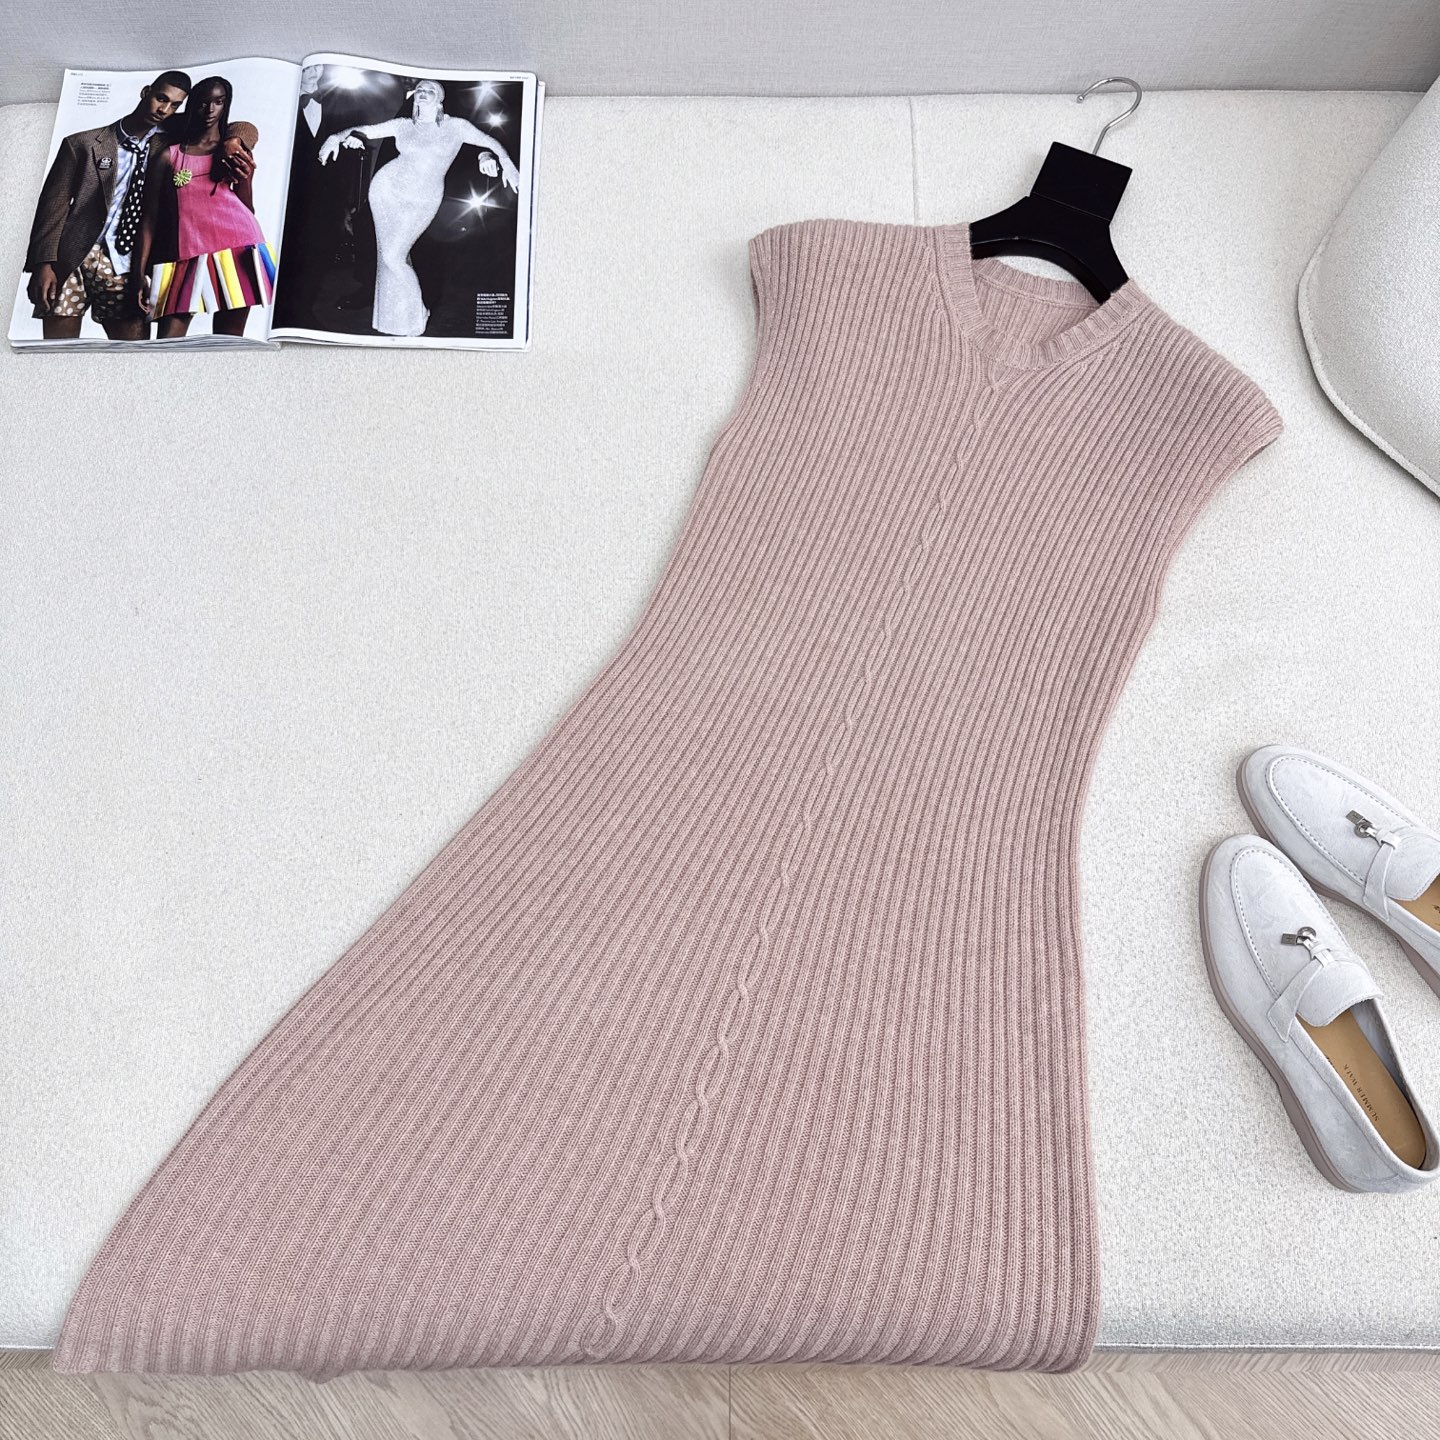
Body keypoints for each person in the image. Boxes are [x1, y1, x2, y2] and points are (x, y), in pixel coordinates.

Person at [24, 71, 258, 342]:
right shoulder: (82, 144)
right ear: (146, 92)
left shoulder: (173, 137)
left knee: (135, 352)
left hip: (126, 261)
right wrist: (43, 263)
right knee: (57, 351)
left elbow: (242, 126)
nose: (164, 110)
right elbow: (53, 206)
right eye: (161, 99)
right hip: (73, 256)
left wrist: (234, 141)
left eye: (175, 105)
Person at [319, 78, 520, 337]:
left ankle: (418, 312)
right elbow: (366, 130)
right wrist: (336, 137)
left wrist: (505, 163)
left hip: (424, 197)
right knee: (389, 257)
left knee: (394, 256)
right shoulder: (404, 125)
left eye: (430, 90)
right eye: (420, 89)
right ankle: (396, 319)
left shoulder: (455, 126)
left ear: (440, 99)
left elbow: (489, 141)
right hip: (387, 190)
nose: (423, 92)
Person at [132, 75, 277, 340]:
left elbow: (246, 208)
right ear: (192, 105)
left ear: (226, 105)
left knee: (228, 342)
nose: (210, 110)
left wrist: (246, 176)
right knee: (167, 345)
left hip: (236, 247)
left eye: (219, 102)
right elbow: (149, 219)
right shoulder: (169, 155)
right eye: (203, 102)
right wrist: (139, 273)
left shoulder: (234, 150)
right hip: (183, 255)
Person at [272, 63, 374, 330]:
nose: (313, 73)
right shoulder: (278, 99)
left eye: (318, 67)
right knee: (287, 255)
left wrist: (349, 200)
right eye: (307, 68)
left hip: (329, 198)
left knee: (321, 253)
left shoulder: (344, 101)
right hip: (289, 197)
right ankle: (281, 313)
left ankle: (303, 311)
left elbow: (360, 135)